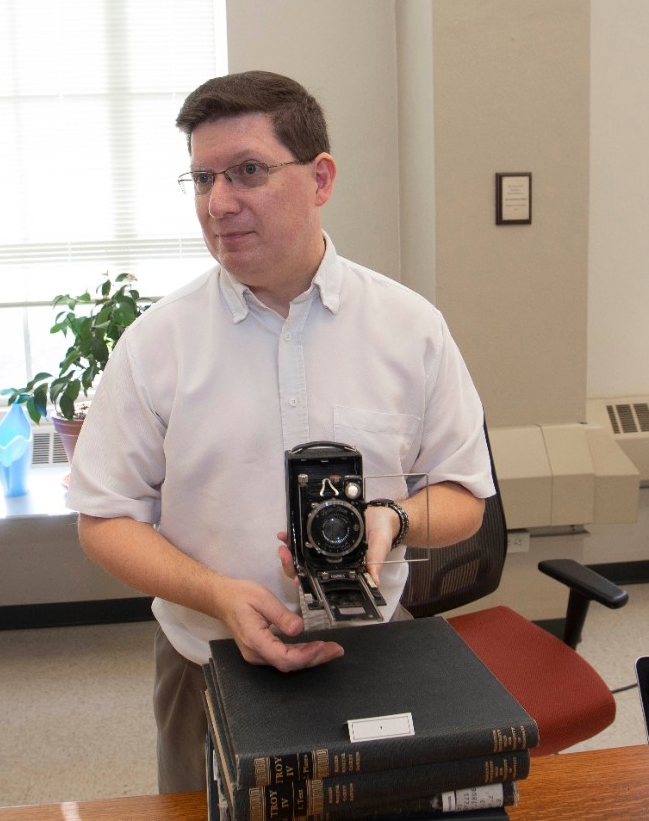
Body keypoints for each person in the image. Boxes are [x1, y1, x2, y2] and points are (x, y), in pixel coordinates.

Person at [65, 70, 495, 794]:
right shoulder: (156, 344)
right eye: (202, 179)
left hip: (375, 651)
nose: (218, 203)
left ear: (320, 177)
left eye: (248, 172)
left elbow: (464, 496)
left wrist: (389, 519)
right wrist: (217, 593)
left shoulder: (410, 328)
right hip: (206, 660)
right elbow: (103, 518)